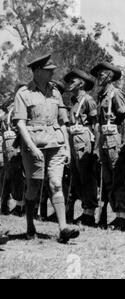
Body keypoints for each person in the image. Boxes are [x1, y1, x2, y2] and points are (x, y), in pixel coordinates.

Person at [13, 54, 79, 243]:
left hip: (56, 145)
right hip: (35, 146)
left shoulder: (56, 92)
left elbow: (63, 123)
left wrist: (66, 147)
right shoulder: (23, 94)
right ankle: (30, 224)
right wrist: (32, 147)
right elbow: (20, 124)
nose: (52, 73)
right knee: (34, 187)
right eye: (48, 70)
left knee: (56, 184)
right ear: (37, 71)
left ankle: (63, 229)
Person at [90, 62, 125, 231]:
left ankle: (124, 217)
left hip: (115, 139)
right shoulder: (101, 96)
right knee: (108, 179)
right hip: (104, 141)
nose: (98, 78)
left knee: (119, 178)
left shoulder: (116, 94)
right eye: (98, 75)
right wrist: (96, 148)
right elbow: (99, 125)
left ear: (109, 76)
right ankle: (117, 214)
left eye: (101, 75)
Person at [64, 69, 98, 227]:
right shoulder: (74, 101)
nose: (69, 84)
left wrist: (96, 148)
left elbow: (96, 124)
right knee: (77, 176)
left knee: (86, 176)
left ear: (82, 83)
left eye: (73, 81)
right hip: (73, 138)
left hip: (84, 139)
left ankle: (89, 214)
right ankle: (85, 211)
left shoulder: (88, 100)